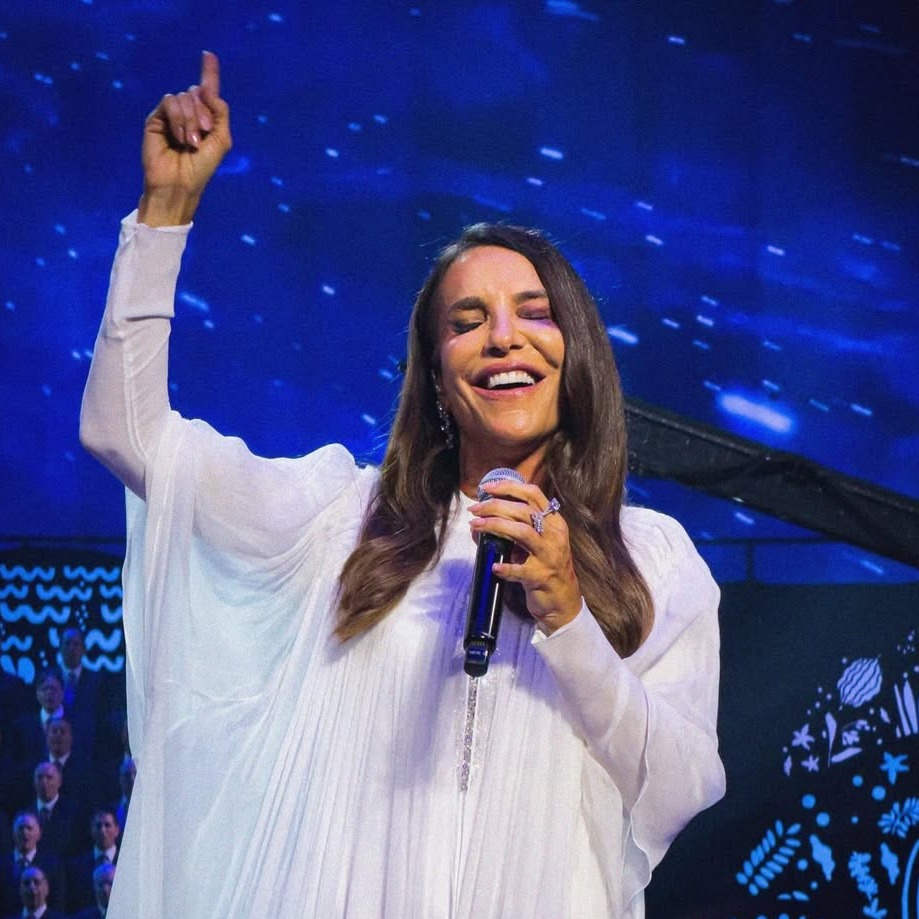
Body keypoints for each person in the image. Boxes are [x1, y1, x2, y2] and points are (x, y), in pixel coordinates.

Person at [79, 51, 725, 918]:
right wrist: (165, 214)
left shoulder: (651, 559)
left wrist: (569, 617)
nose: (502, 337)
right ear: (436, 378)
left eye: (534, 313)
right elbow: (126, 433)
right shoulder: (340, 521)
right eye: (467, 321)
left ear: (577, 352)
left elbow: (679, 785)